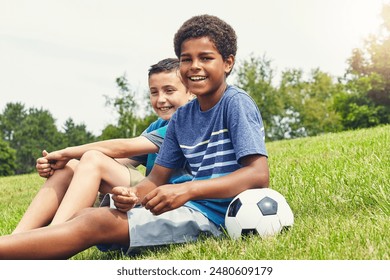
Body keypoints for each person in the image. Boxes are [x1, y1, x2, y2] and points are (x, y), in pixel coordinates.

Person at [0, 14, 269, 260]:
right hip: (186, 208)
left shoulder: (236, 104)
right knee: (86, 215)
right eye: (186, 59)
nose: (194, 66)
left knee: (93, 223)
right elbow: (156, 179)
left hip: (216, 217)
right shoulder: (181, 118)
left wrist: (188, 190)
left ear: (228, 63)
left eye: (206, 58)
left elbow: (257, 175)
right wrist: (132, 194)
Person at [12, 57, 194, 234]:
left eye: (169, 90)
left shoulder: (185, 123)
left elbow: (123, 148)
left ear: (190, 92)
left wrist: (66, 152)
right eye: (154, 92)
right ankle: (16, 237)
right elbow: (120, 161)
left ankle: (53, 235)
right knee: (73, 166)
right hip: (147, 191)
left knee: (92, 158)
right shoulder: (158, 125)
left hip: (168, 197)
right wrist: (62, 162)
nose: (161, 99)